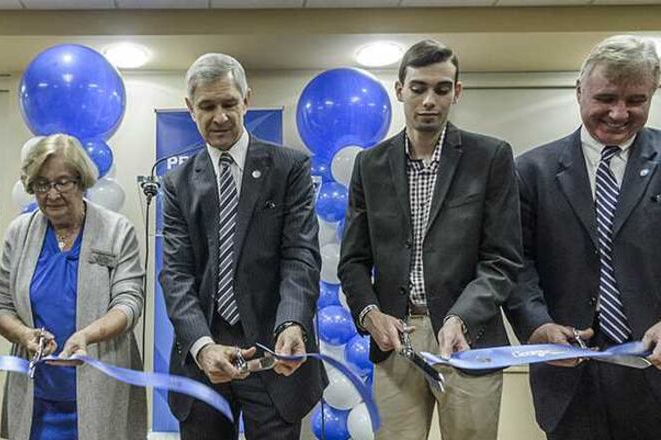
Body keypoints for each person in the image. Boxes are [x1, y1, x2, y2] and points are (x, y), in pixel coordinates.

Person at [338, 39, 522, 440]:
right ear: (399, 89)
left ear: (456, 92)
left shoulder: (489, 157)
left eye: (441, 89)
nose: (429, 100)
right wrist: (369, 313)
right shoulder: (369, 165)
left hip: (468, 336)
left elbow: (502, 259)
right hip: (396, 340)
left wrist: (461, 317)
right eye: (418, 88)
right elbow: (352, 260)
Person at [159, 53, 324, 439]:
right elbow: (177, 274)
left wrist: (292, 323)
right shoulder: (177, 183)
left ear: (246, 99)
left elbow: (300, 256)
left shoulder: (289, 169)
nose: (220, 117)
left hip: (275, 356)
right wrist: (201, 345)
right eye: (207, 106)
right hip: (204, 360)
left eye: (229, 103)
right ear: (189, 109)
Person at [504, 35, 661, 440]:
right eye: (606, 97)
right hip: (568, 377)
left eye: (636, 100)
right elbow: (515, 262)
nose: (619, 112)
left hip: (655, 368)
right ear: (579, 91)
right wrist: (536, 324)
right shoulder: (531, 171)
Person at [0, 134, 146, 440]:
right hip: (37, 398)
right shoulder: (19, 233)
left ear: (82, 180)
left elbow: (129, 303)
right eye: (42, 184)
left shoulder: (117, 230)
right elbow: (1, 307)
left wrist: (87, 335)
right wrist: (24, 335)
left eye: (63, 182)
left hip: (100, 393)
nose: (52, 194)